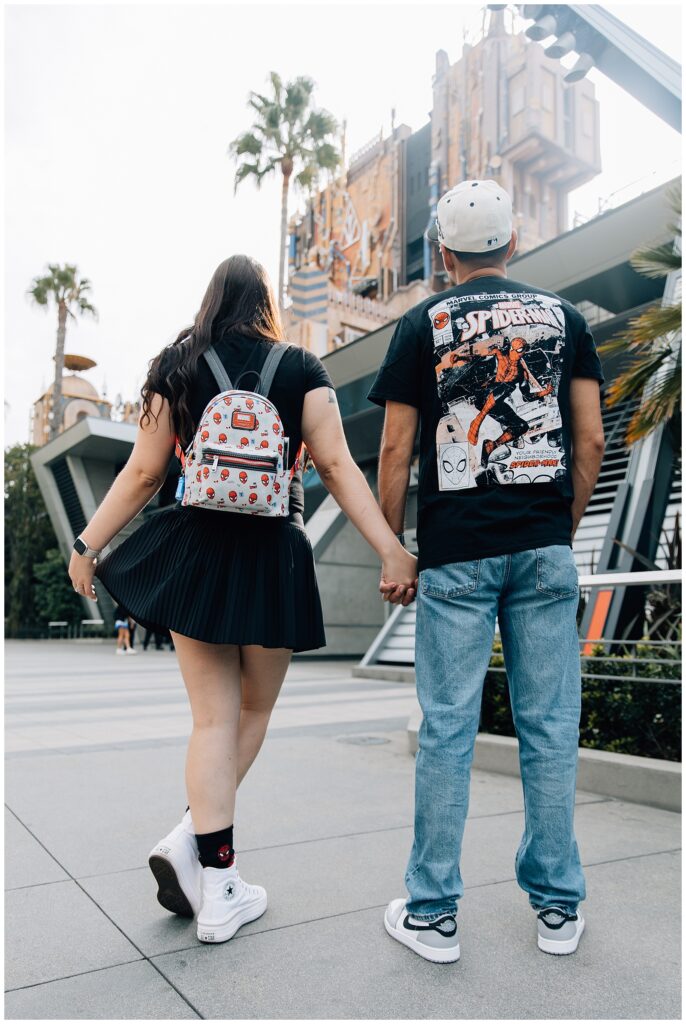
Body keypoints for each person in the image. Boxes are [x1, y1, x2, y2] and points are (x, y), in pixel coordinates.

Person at [68, 254, 417, 945]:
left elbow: (143, 472)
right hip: (271, 555)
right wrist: (390, 547)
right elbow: (337, 467)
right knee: (253, 710)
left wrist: (87, 546)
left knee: (210, 721)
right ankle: (213, 868)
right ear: (265, 304)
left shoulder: (177, 365)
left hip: (195, 548)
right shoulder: (301, 370)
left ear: (210, 300)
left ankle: (205, 853)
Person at [368, 180, 605, 963]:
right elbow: (593, 442)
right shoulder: (563, 319)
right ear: (515, 242)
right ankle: (558, 906)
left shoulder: (421, 323)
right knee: (549, 729)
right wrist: (555, 532)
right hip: (541, 545)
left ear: (443, 252)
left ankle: (433, 911)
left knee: (447, 730)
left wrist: (396, 548)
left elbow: (397, 449)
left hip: (457, 553)